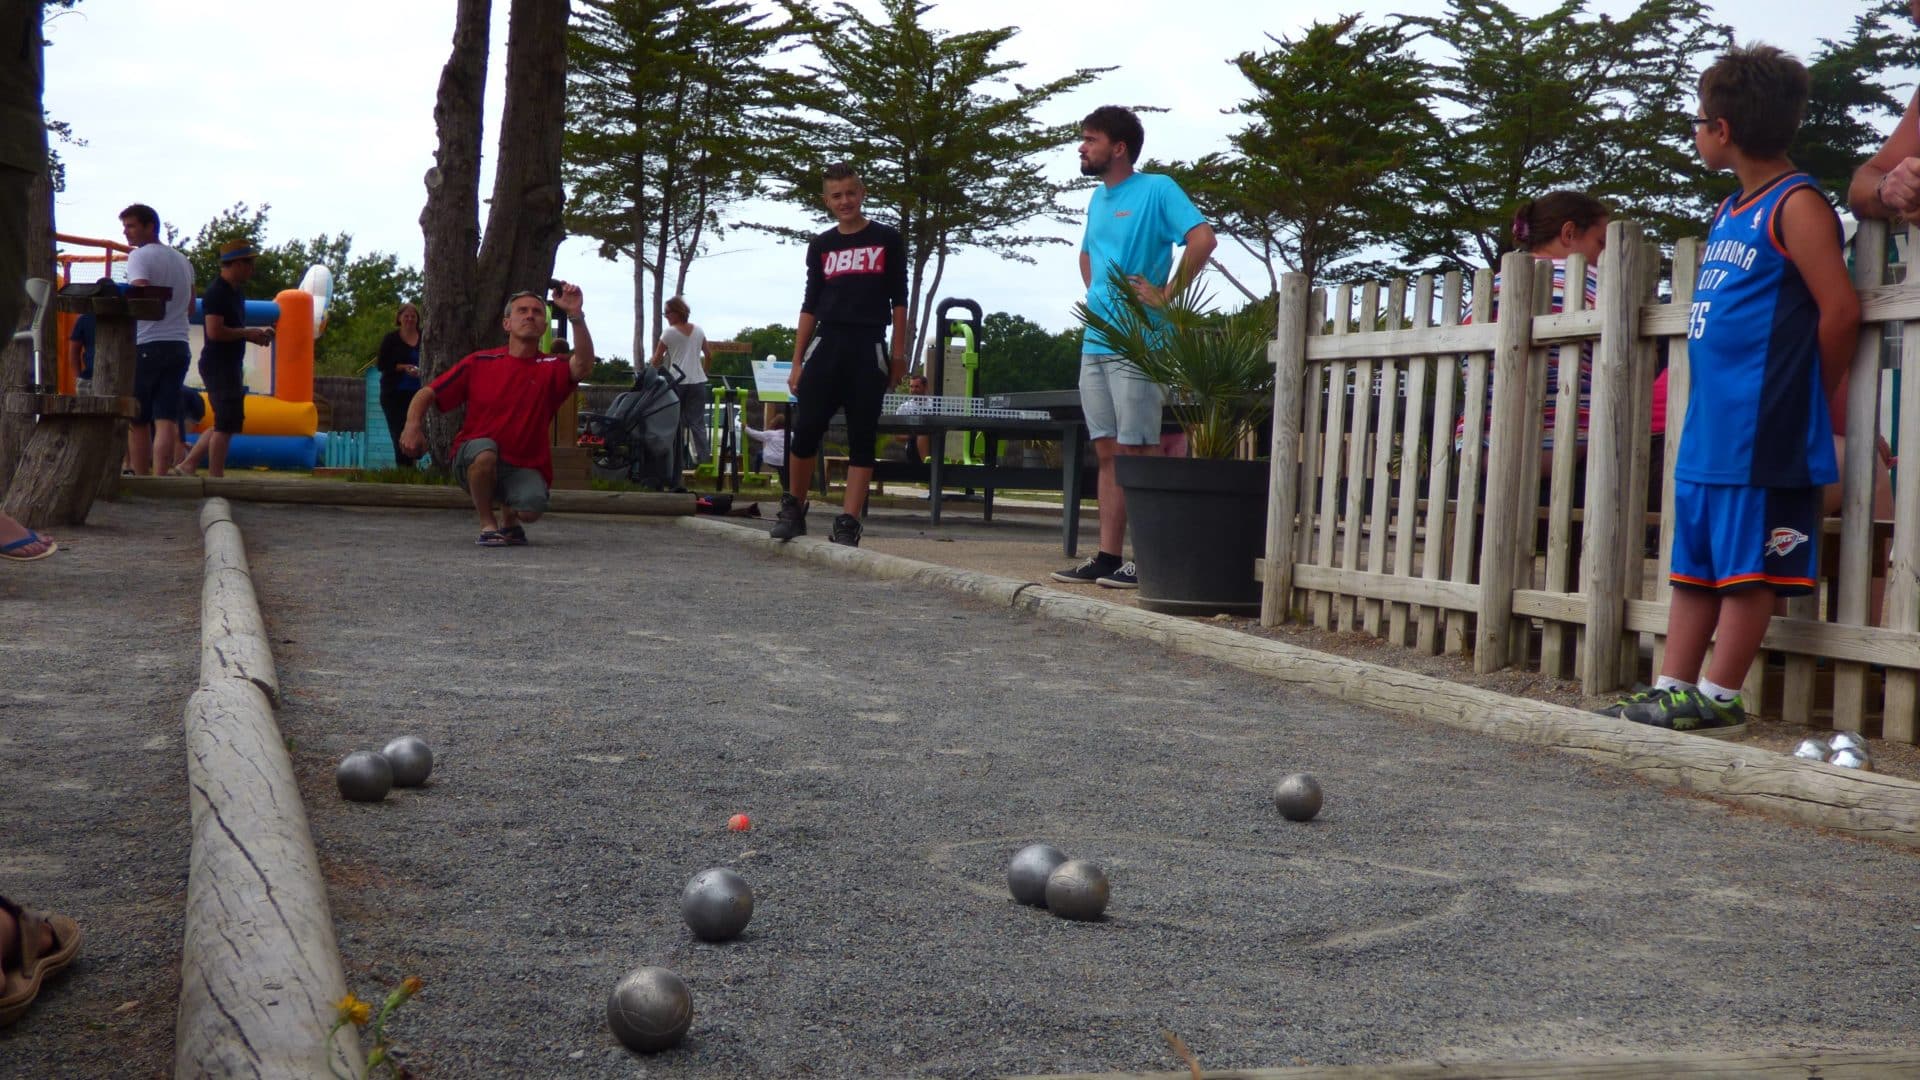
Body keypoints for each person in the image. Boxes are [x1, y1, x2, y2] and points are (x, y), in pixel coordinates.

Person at [1602, 44, 1858, 730]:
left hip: (1765, 428)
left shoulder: (1797, 205)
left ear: (1724, 130)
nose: (1695, 131)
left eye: (1698, 120)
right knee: (1697, 564)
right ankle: (1673, 684)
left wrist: (1807, 394)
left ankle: (1720, 696)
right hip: (1712, 428)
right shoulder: (1728, 211)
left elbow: (1840, 311)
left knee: (1750, 569)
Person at [1051, 106, 1217, 590]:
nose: (1082, 147)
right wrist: (1097, 294)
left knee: (1137, 447)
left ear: (1118, 147)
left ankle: (1147, 558)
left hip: (1140, 341)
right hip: (1096, 338)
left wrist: (1166, 295)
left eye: (1090, 139)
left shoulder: (1157, 189)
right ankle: (1107, 557)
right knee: (1106, 449)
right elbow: (1087, 253)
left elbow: (1203, 239)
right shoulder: (1098, 201)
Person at [769, 162, 908, 548]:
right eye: (837, 195)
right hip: (826, 344)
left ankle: (848, 521)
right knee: (807, 427)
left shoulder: (887, 240)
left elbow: (900, 301)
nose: (845, 201)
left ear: (862, 193)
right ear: (826, 201)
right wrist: (797, 361)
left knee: (863, 436)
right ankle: (793, 508)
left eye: (851, 192)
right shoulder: (822, 245)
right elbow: (809, 304)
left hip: (869, 345)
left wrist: (898, 354)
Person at [399, 284, 595, 546]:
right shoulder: (480, 362)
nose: (529, 315)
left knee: (531, 509)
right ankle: (487, 524)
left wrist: (575, 314)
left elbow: (582, 365)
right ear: (507, 323)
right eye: (522, 311)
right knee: (486, 452)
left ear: (544, 327)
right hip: (473, 455)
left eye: (537, 312)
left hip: (523, 463)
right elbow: (427, 393)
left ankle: (511, 521)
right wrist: (412, 426)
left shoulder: (551, 367)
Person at [1455, 191, 1607, 476]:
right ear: (1569, 233)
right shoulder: (1593, 282)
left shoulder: (1484, 292)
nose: (1603, 256)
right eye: (1600, 244)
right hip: (1565, 444)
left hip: (1481, 448)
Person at [119, 203, 196, 476]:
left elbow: (141, 296)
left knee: (138, 419)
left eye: (131, 226)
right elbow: (190, 308)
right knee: (166, 418)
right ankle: (161, 476)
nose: (126, 233)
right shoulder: (183, 260)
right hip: (179, 344)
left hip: (148, 342)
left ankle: (141, 477)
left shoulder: (139, 257)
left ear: (150, 226)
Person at [197, 239, 273, 478]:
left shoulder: (235, 292)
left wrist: (254, 335)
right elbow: (215, 331)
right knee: (226, 422)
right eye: (250, 264)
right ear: (238, 263)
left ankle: (188, 464)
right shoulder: (217, 292)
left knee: (227, 420)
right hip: (217, 364)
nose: (252, 269)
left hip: (229, 364)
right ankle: (215, 477)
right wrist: (247, 333)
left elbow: (232, 330)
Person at [651, 295, 712, 474]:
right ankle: (705, 461)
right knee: (698, 423)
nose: (666, 316)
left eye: (668, 313)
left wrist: (651, 374)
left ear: (677, 312)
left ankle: (674, 461)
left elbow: (656, 359)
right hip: (698, 381)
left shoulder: (668, 333)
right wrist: (704, 373)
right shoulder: (699, 331)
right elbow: (709, 355)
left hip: (677, 381)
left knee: (675, 422)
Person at [376, 302, 425, 467]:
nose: (410, 319)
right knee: (399, 432)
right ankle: (404, 470)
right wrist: (404, 367)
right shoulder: (391, 339)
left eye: (413, 316)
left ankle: (417, 463)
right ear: (399, 318)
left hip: (419, 394)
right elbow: (382, 364)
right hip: (395, 395)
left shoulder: (425, 336)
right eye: (406, 316)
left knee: (422, 431)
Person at [744, 411, 788, 488]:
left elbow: (755, 434)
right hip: (784, 461)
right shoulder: (790, 434)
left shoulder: (770, 434)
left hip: (770, 459)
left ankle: (756, 472)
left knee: (759, 454)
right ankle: (785, 487)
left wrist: (745, 428)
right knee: (782, 473)